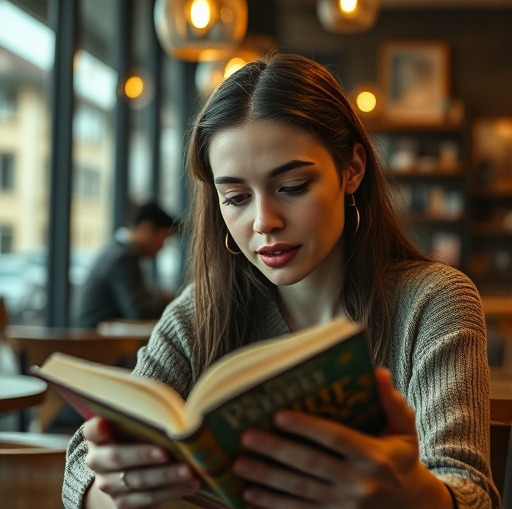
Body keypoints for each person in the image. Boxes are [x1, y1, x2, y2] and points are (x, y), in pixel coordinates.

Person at [62, 52, 500, 509]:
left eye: (292, 187)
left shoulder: (432, 301)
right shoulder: (202, 310)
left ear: (352, 170)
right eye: (235, 197)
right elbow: (78, 464)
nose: (263, 222)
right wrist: (118, 491)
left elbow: (471, 494)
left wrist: (413, 497)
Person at [74, 201, 179, 329]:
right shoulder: (122, 258)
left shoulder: (117, 250)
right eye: (163, 238)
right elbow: (138, 312)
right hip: (96, 342)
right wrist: (168, 299)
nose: (162, 246)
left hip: (99, 337)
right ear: (146, 228)